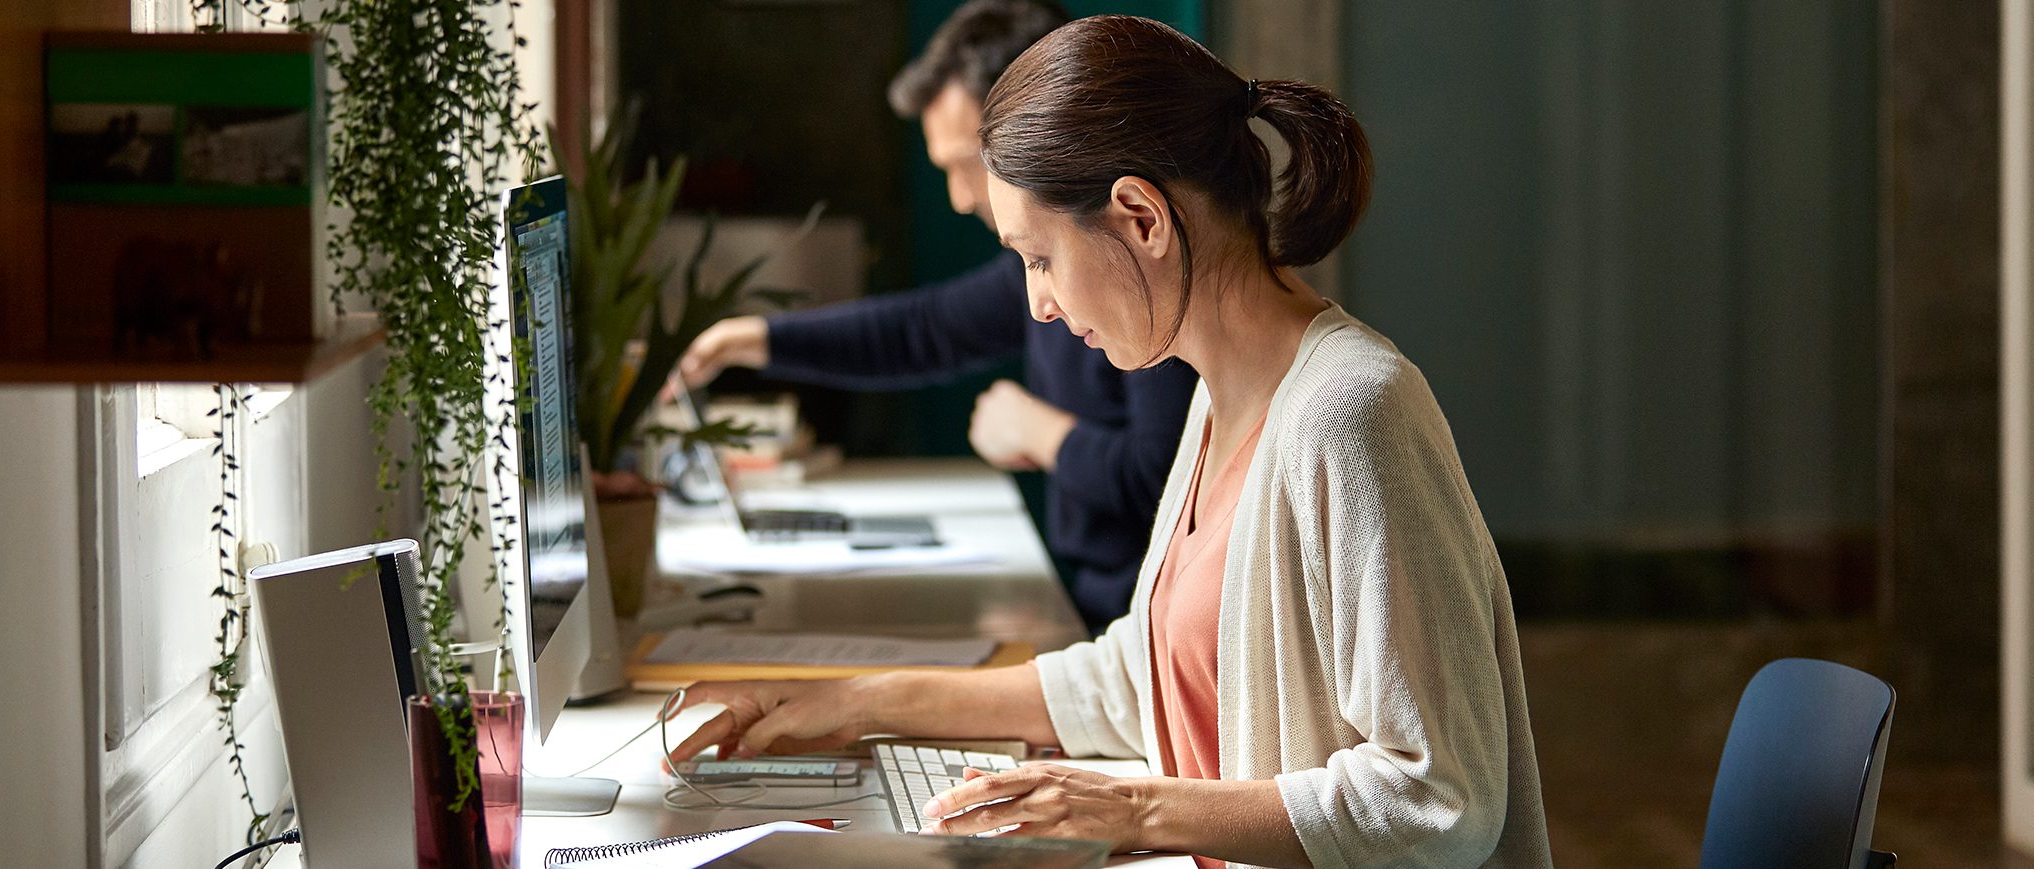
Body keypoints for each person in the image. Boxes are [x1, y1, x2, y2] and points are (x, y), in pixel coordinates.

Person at [664, 14, 1553, 869]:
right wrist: (860, 703)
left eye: (1039, 258)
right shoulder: (1220, 394)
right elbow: (1141, 678)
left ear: (1141, 217)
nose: (1036, 304)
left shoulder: (1352, 412)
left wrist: (1134, 809)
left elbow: (1440, 799)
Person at [672, 0, 1197, 631]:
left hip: (1138, 628)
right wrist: (754, 339)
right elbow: (921, 329)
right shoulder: (1053, 273)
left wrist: (1041, 434)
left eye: (966, 165)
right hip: (1098, 614)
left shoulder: (1134, 279)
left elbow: (1173, 484)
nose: (959, 198)